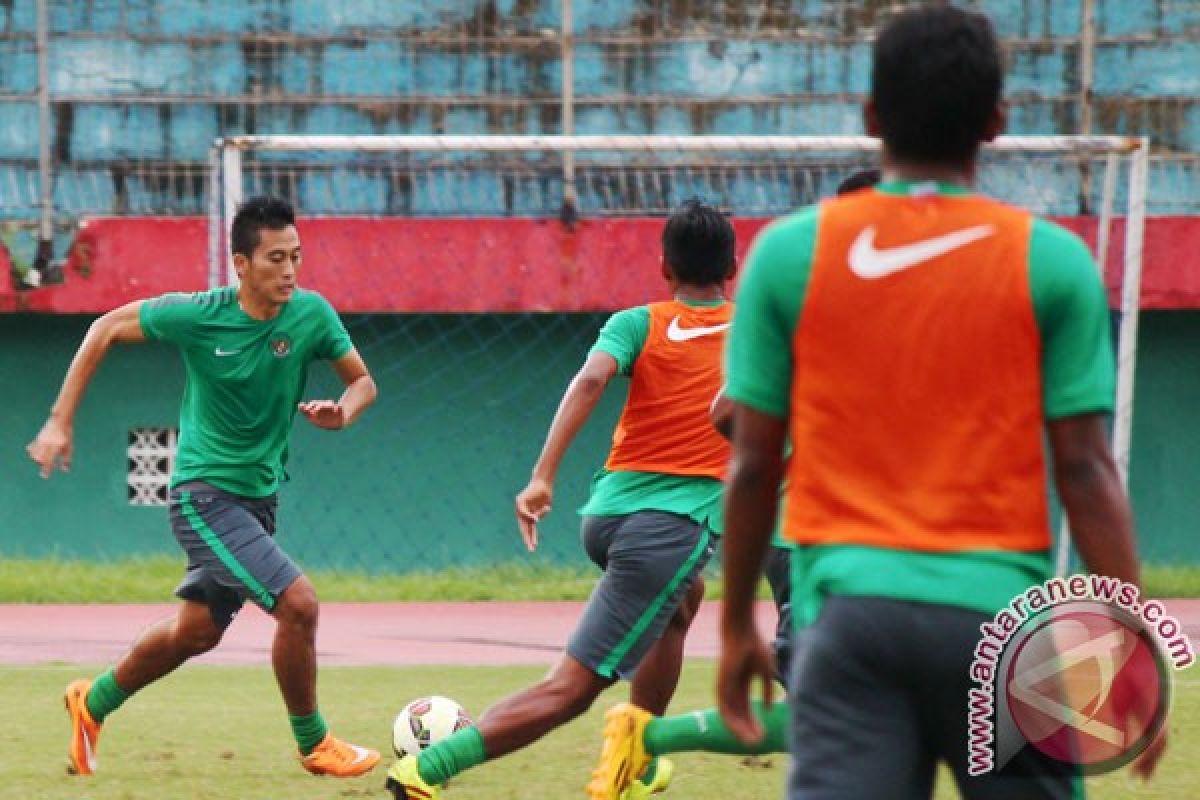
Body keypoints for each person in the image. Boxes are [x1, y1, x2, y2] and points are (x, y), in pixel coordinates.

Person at [716, 6, 1164, 799]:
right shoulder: (1051, 261)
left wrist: (734, 627)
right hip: (1000, 625)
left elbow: (752, 467)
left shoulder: (790, 254)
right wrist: (1130, 636)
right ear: (997, 120)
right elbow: (1088, 471)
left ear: (871, 117)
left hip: (848, 621)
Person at [384, 200, 737, 800]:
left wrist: (543, 476)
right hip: (670, 527)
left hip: (607, 515)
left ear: (664, 268)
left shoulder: (637, 321)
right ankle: (428, 769)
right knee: (572, 687)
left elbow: (591, 378)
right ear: (733, 268)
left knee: (680, 602)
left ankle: (639, 758)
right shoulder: (756, 331)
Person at [26, 195, 382, 779]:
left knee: (196, 632)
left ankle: (90, 706)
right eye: (275, 259)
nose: (289, 270)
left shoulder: (312, 315)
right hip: (202, 499)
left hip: (258, 501)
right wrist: (60, 420)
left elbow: (363, 381)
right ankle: (315, 743)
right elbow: (104, 328)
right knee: (299, 605)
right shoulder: (197, 315)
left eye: (295, 257)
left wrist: (345, 410)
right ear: (242, 265)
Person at [589, 169, 883, 800]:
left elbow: (725, 413)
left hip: (831, 528)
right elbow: (725, 410)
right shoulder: (810, 310)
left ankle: (650, 736)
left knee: (848, 704)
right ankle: (647, 738)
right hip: (817, 528)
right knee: (844, 714)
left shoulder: (811, 299)